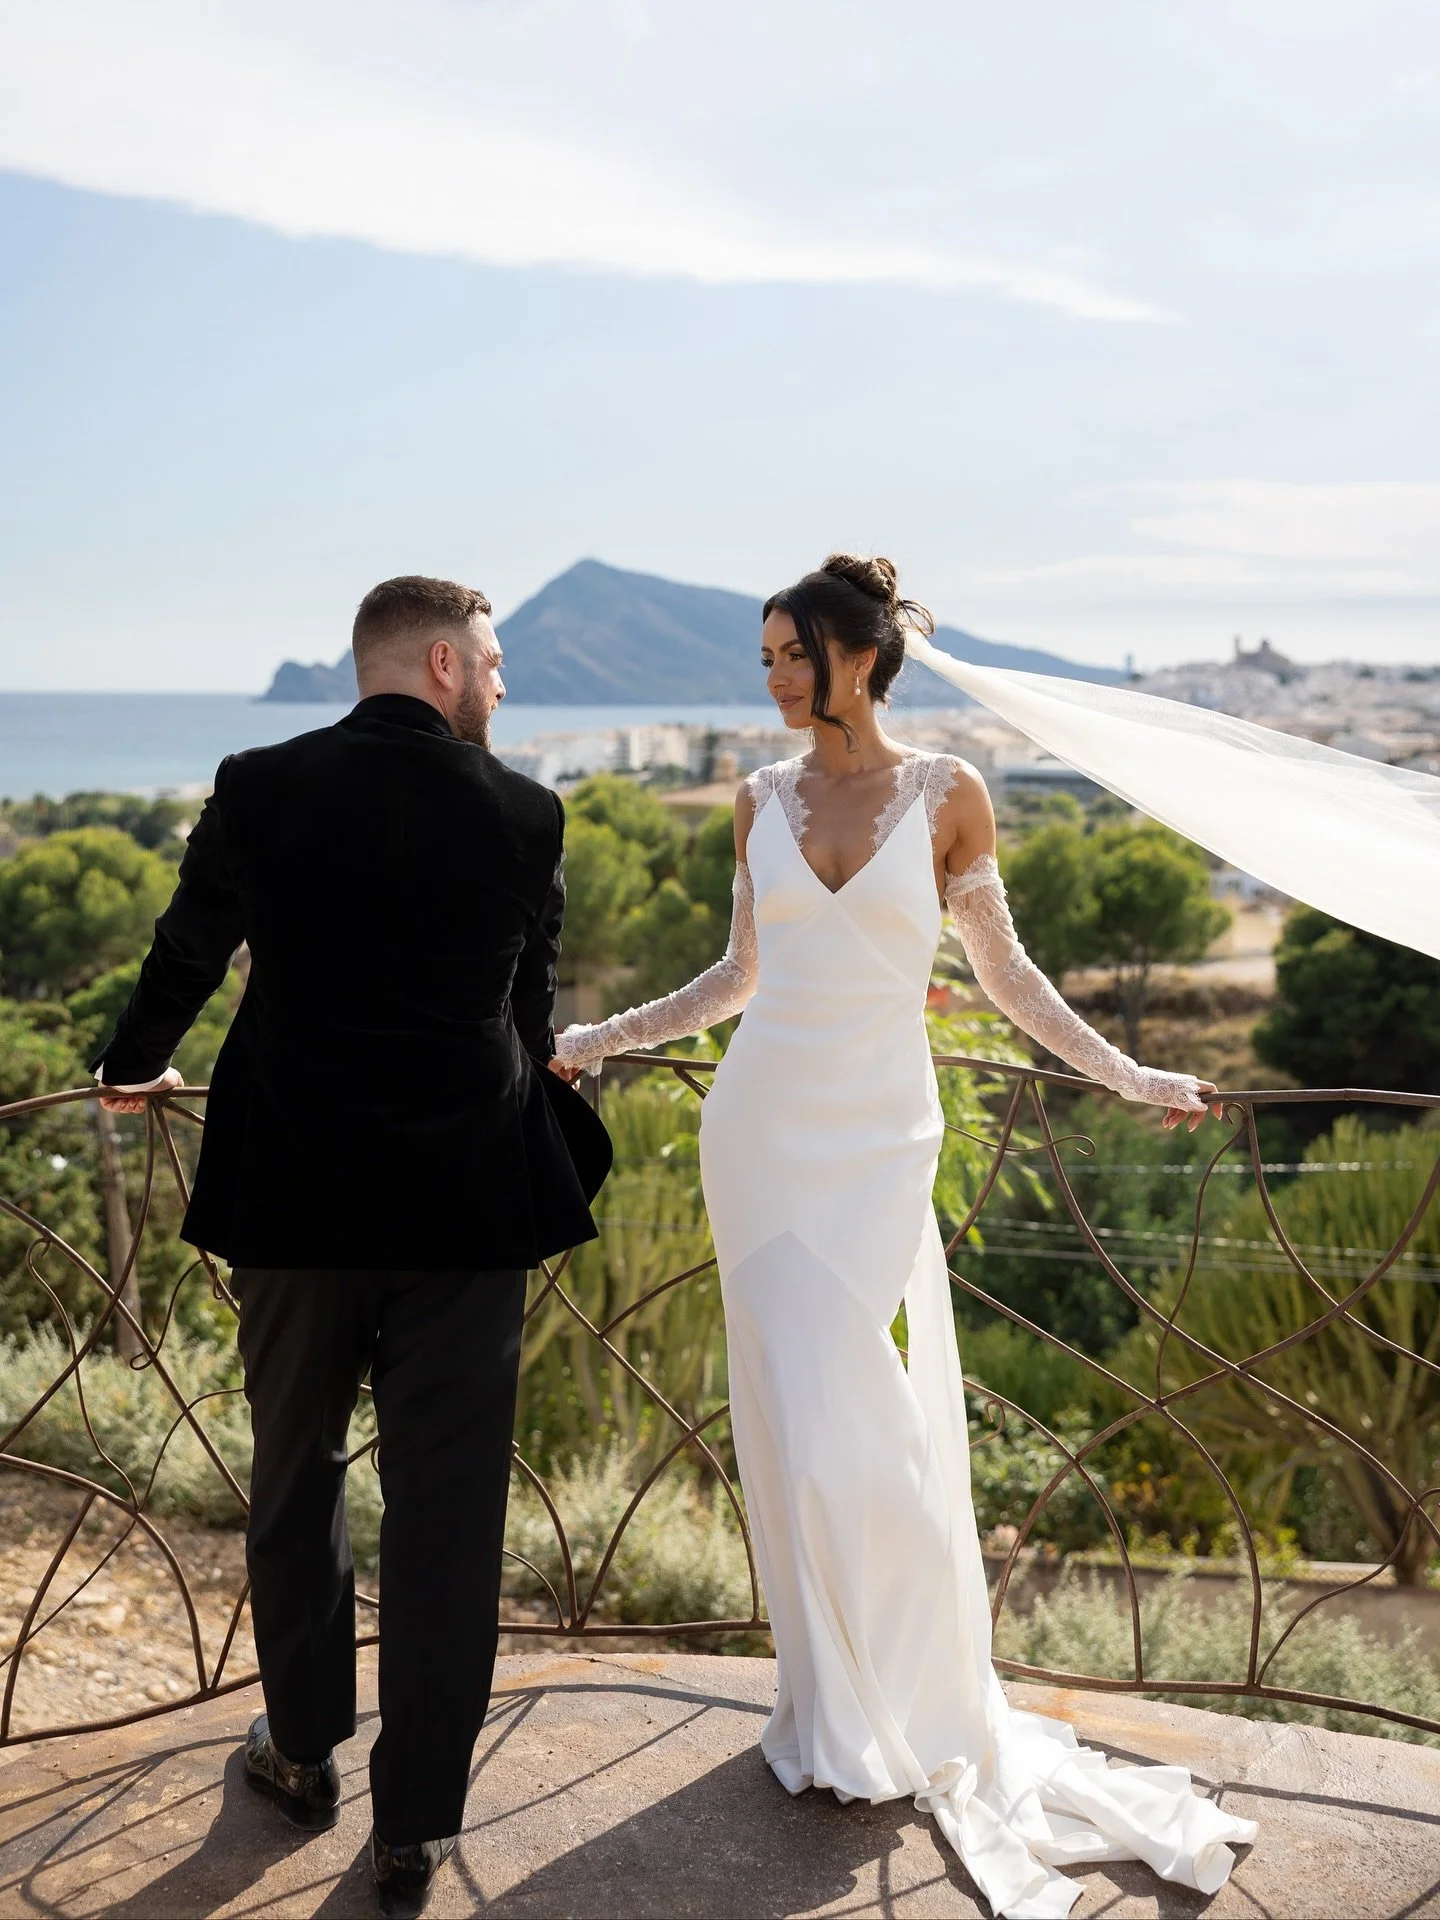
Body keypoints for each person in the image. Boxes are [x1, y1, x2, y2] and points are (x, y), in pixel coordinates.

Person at [551, 554, 1255, 1920]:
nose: (774, 678)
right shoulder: (756, 800)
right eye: (764, 658)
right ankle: (830, 1706)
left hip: (880, 1140)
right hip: (758, 1131)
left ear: (859, 657)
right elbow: (738, 977)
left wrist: (1128, 1074)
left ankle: (922, 1691)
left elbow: (1007, 976)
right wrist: (598, 1037)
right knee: (794, 1419)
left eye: (793, 655)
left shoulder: (949, 793)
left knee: (860, 1418)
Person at [94, 574, 610, 1918]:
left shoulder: (257, 784)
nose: (501, 682)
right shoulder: (527, 812)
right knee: (449, 1518)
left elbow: (186, 953)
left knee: (296, 1472)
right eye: (493, 660)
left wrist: (132, 1065)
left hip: (294, 1199)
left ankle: (304, 1753)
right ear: (441, 663)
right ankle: (414, 1831)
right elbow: (530, 1015)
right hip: (468, 1211)